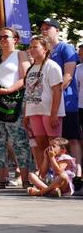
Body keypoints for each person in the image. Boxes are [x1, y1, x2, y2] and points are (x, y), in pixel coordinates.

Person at [0, 27, 32, 189]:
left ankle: (25, 179)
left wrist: (8, 90)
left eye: (5, 37)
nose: (2, 39)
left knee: (19, 141)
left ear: (15, 39)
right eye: (0, 37)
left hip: (12, 102)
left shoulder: (20, 54)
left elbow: (25, 78)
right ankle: (2, 179)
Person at [39, 18, 81, 170]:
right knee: (54, 141)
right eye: (42, 28)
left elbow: (68, 76)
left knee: (72, 139)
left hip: (67, 103)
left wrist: (54, 93)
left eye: (48, 27)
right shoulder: (44, 52)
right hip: (47, 105)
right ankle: (56, 173)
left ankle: (77, 174)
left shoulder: (66, 47)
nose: (44, 30)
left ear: (57, 30)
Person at [24, 35, 65, 169]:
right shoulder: (31, 68)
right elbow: (28, 92)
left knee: (54, 145)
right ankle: (44, 174)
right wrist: (26, 114)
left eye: (35, 46)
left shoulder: (52, 66)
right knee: (40, 144)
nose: (31, 49)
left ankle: (59, 174)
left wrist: (54, 114)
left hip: (49, 111)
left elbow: (57, 91)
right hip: (34, 110)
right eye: (30, 47)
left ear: (45, 49)